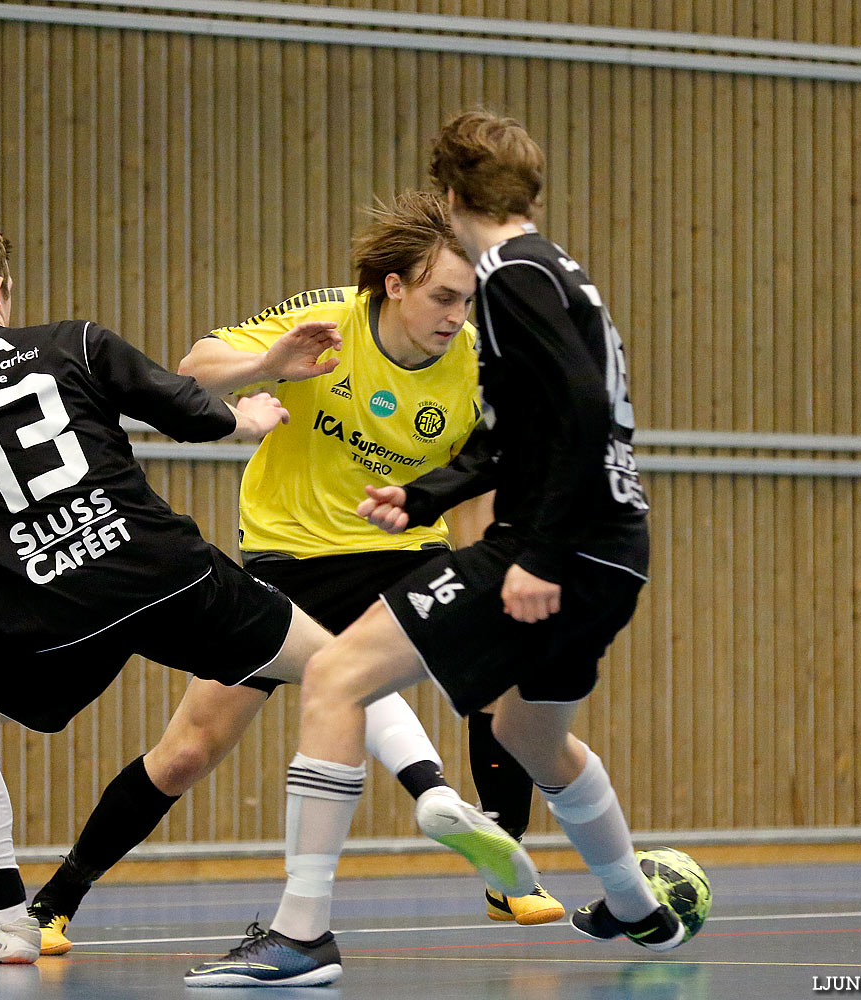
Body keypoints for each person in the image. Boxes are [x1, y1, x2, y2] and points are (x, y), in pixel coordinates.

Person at [0, 208, 530, 965]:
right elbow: (184, 404)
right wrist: (250, 413)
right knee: (341, 665)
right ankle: (433, 794)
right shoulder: (73, 343)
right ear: (0, 289)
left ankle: (11, 916)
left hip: (50, 608)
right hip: (165, 572)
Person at [186, 111, 689, 989]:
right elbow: (515, 434)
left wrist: (537, 554)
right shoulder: (566, 274)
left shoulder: (511, 277)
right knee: (529, 730)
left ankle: (302, 934)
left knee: (339, 676)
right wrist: (423, 496)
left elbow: (575, 413)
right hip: (618, 549)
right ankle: (639, 907)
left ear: (452, 198)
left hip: (556, 544)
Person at [25, 191, 560, 958]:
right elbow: (192, 368)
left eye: (467, 299)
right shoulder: (329, 320)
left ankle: (505, 860)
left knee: (501, 669)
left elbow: (500, 471)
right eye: (442, 295)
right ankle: (56, 899)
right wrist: (269, 365)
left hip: (403, 549)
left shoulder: (478, 361)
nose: (456, 314)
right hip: (292, 560)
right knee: (186, 752)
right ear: (395, 287)